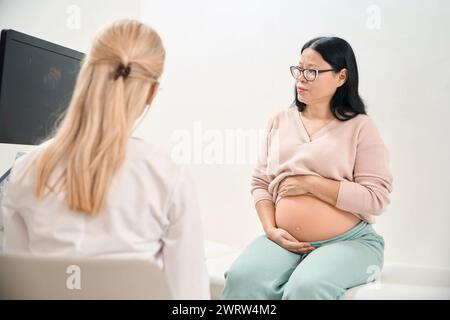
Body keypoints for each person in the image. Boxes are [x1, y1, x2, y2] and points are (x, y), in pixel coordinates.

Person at [1, 19, 210, 299]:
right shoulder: (168, 176)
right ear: (151, 92)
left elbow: (16, 285)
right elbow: (188, 296)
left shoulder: (24, 171)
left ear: (86, 75)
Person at [221, 36, 393, 300]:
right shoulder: (280, 121)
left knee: (306, 288)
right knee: (242, 278)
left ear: (341, 76)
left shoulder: (360, 127)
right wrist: (271, 230)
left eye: (312, 71)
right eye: (299, 69)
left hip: (350, 241)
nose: (301, 78)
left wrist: (310, 184)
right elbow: (260, 183)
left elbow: (376, 199)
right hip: (284, 241)